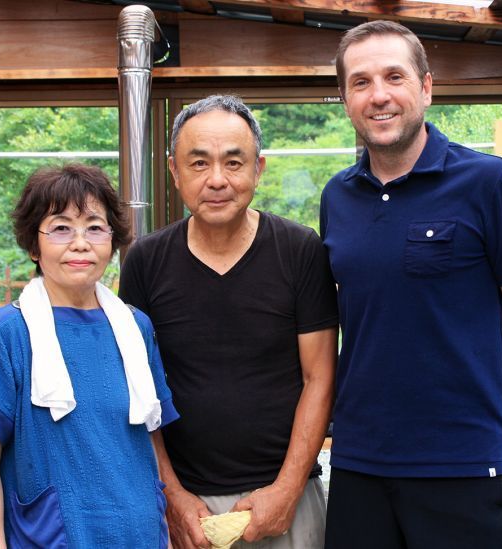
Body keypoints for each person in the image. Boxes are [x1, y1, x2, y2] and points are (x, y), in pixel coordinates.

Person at [320, 21, 502, 548]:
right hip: (360, 465)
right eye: (360, 82)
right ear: (345, 99)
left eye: (394, 77)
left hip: (467, 469)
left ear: (426, 87)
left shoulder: (491, 183)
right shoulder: (338, 196)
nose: (378, 95)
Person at [119, 94, 338, 549]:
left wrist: (287, 490)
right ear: (174, 171)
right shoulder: (145, 261)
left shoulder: (300, 250)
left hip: (288, 499)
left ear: (259, 169)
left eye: (233, 163)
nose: (217, 179)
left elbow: (319, 377)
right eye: (199, 163)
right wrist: (172, 496)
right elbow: (139, 392)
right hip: (186, 506)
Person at [0, 164, 179, 548]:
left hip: (140, 535)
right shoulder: (7, 333)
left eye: (94, 227)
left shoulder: (136, 327)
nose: (80, 243)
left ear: (112, 240)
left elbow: (151, 438)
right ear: (34, 245)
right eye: (61, 228)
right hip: (51, 538)